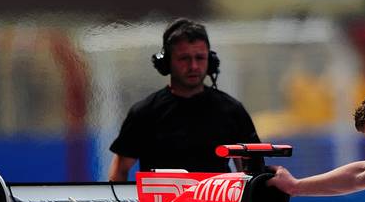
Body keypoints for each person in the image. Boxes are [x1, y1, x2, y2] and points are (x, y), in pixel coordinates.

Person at [108, 18, 259, 181]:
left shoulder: (232, 111)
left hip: (217, 198)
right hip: (161, 198)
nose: (193, 66)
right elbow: (119, 171)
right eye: (184, 58)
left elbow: (251, 171)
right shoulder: (144, 113)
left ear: (210, 61)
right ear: (167, 62)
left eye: (200, 58)